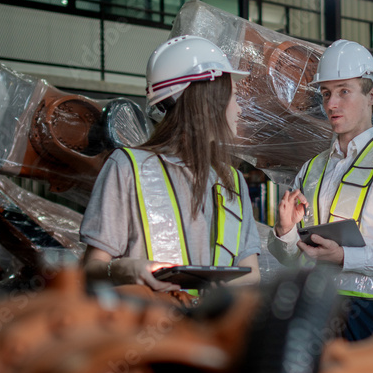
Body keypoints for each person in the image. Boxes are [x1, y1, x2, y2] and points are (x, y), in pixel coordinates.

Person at [267, 39, 373, 341]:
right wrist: (284, 232)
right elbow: (291, 258)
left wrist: (345, 257)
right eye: (326, 93)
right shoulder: (312, 169)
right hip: (315, 308)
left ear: (372, 95)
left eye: (344, 91)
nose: (331, 104)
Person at [81, 35, 261, 293]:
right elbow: (91, 270)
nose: (239, 109)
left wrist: (211, 291)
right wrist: (128, 269)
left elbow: (251, 274)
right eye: (232, 96)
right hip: (149, 325)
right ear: (208, 102)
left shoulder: (231, 181)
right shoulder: (128, 168)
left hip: (210, 329)